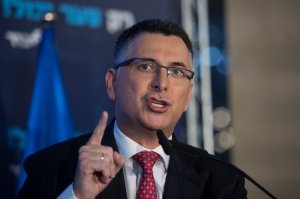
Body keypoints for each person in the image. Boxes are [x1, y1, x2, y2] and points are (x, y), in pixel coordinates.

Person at [17, 19, 247, 199]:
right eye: (146, 66)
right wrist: (78, 196)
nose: (162, 83)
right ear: (111, 83)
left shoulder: (221, 183)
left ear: (187, 96)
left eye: (177, 72)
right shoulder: (51, 167)